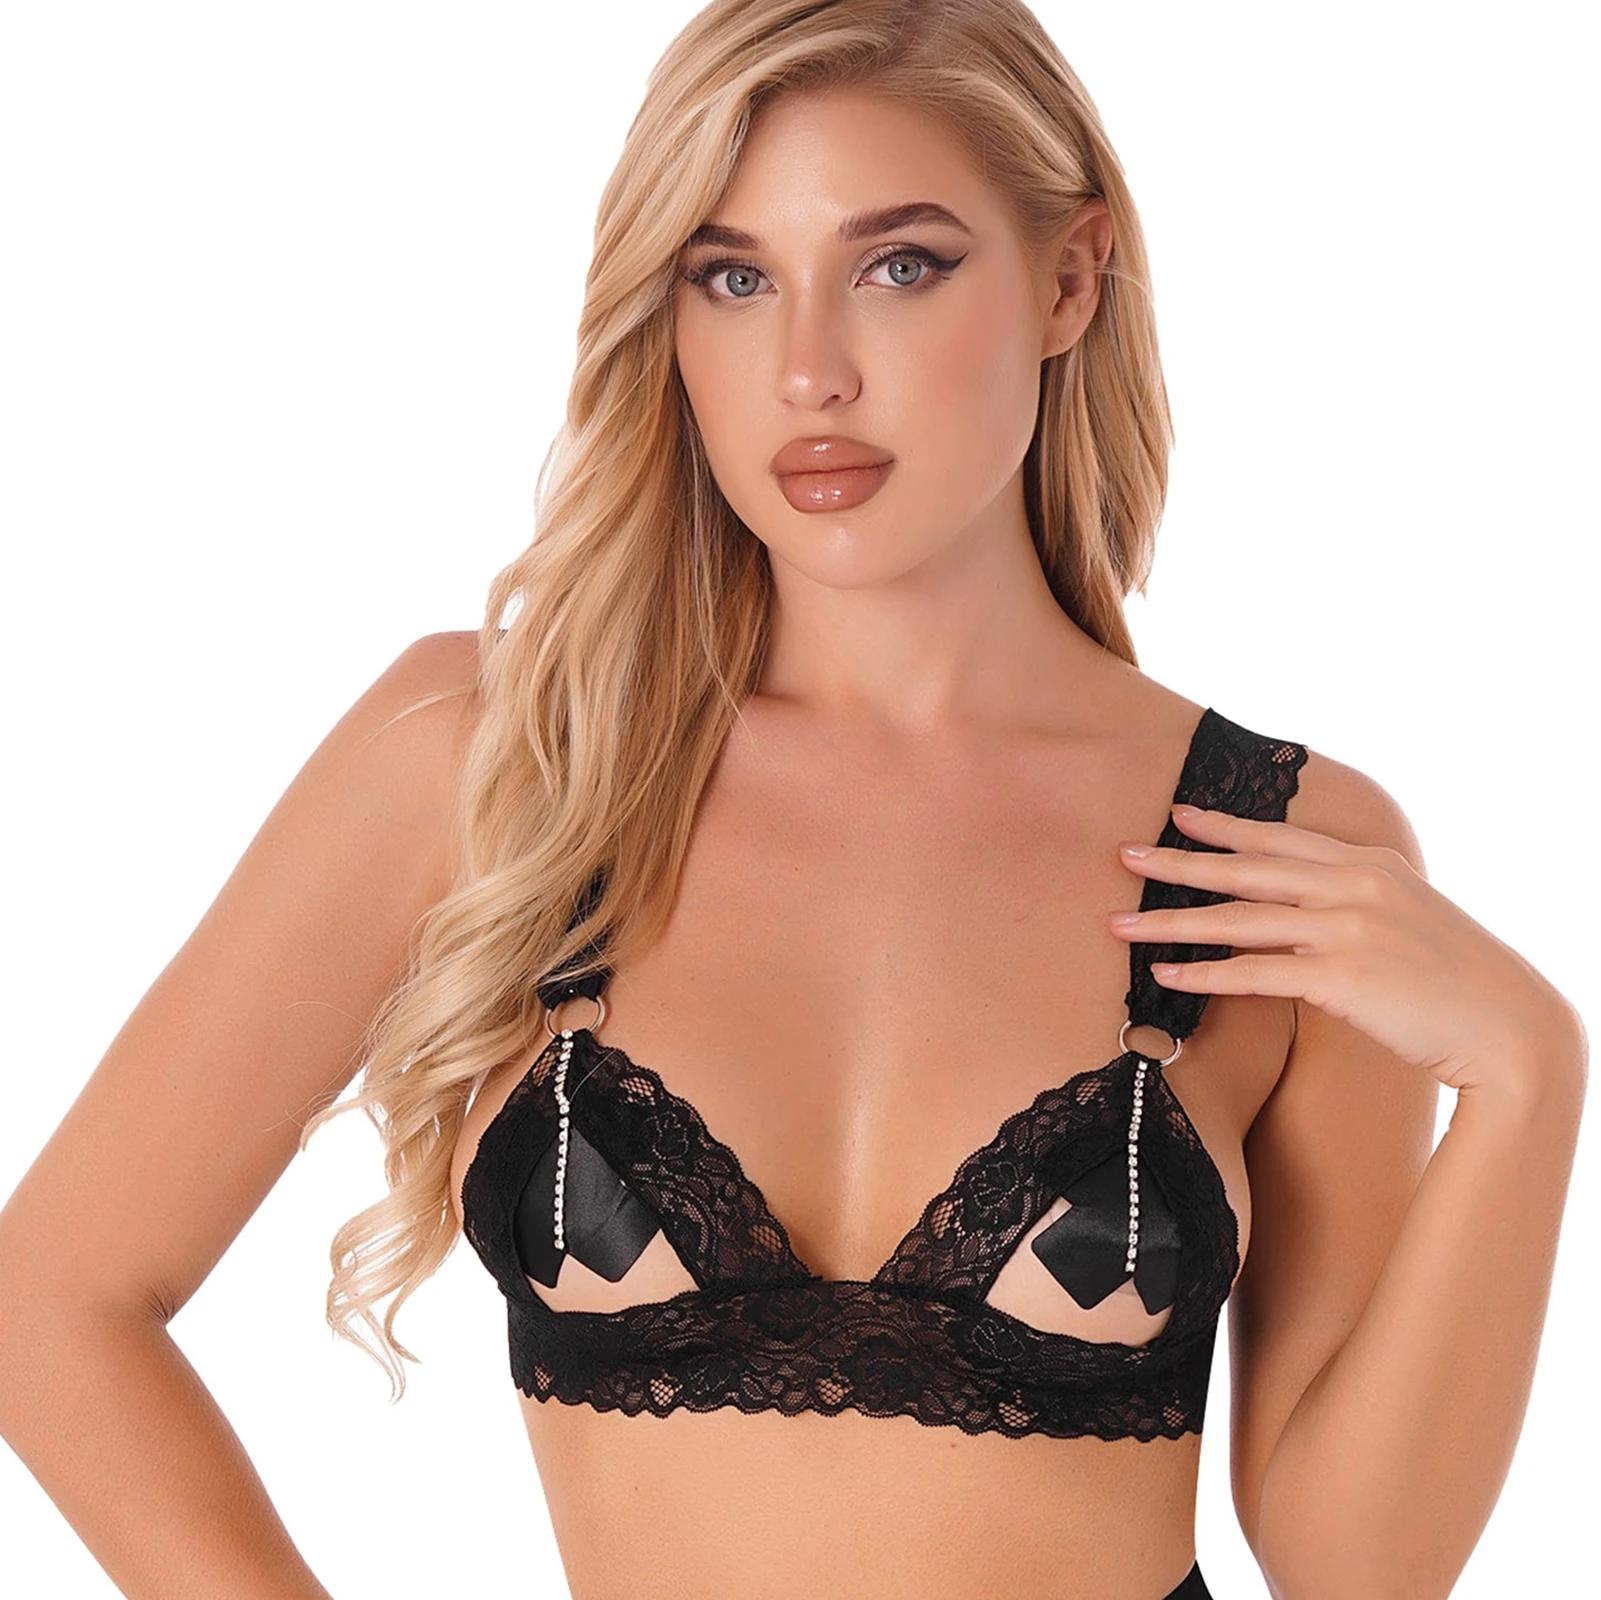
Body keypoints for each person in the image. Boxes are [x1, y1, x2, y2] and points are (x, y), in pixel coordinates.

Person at [0, 2, 1586, 1597]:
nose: (809, 372)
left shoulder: (1270, 845)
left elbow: (1352, 1568)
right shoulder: (504, 755)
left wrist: (1526, 1078)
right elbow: (53, 1301)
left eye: (898, 266)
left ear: (1068, 278)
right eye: (733, 278)